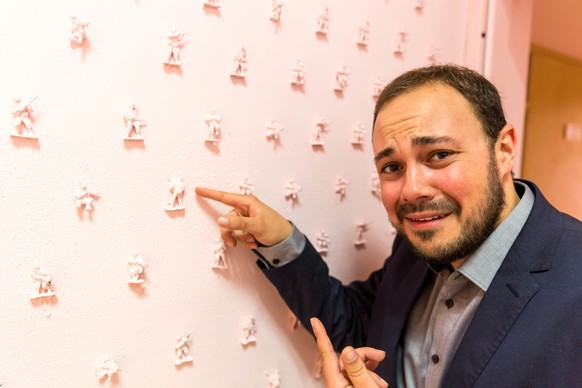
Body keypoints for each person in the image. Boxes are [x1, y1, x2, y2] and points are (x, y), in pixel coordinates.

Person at [196, 64, 582, 387]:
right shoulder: (419, 244)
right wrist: (281, 240)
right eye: (392, 167)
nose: (411, 191)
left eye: (439, 155)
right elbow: (358, 323)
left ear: (504, 150)